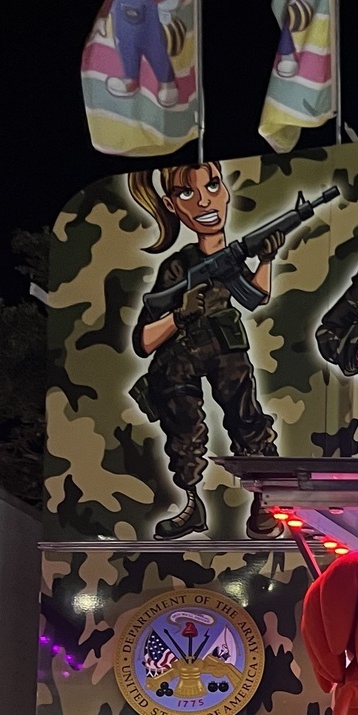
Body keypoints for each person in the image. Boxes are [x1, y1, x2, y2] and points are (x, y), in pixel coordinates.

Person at [129, 161, 283, 539]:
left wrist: (265, 259)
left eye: (213, 186)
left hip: (226, 348)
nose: (204, 201)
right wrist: (179, 315)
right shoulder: (177, 267)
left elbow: (254, 297)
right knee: (184, 431)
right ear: (171, 204)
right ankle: (192, 505)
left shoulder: (230, 258)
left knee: (248, 422)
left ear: (225, 192)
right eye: (187, 192)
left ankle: (265, 501)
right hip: (182, 358)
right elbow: (143, 340)